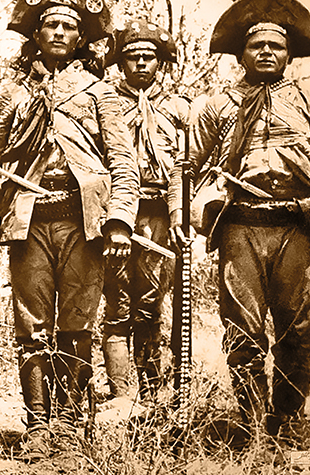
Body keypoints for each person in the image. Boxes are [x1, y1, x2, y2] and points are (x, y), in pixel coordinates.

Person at [168, 0, 310, 449]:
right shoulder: (219, 103)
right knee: (242, 330)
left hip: (296, 227)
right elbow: (185, 166)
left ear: (289, 54)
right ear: (241, 54)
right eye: (256, 45)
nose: (266, 52)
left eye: (276, 46)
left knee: (299, 330)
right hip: (240, 226)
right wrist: (182, 216)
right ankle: (250, 422)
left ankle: (288, 418)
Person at [0, 0, 139, 457]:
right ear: (37, 33)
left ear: (80, 38)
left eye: (68, 26)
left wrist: (119, 219)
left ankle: (71, 425)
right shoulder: (13, 91)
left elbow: (122, 161)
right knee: (31, 324)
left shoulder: (100, 92)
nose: (57, 32)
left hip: (82, 222)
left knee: (76, 322)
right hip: (28, 219)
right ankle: (37, 425)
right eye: (49, 24)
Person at [100, 21, 189, 408]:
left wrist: (177, 216)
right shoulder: (104, 102)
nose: (139, 64)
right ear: (120, 62)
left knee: (152, 304)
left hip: (158, 215)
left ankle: (153, 397)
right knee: (117, 304)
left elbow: (184, 168)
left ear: (160, 63)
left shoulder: (178, 108)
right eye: (131, 57)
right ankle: (121, 396)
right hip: (116, 217)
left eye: (148, 57)